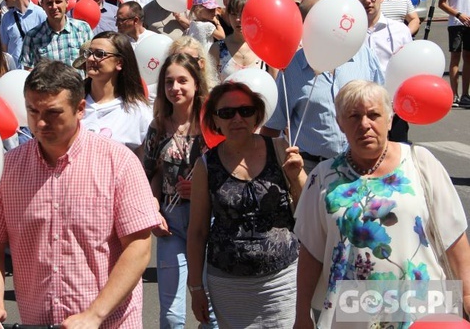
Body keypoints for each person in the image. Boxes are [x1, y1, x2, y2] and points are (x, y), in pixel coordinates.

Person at [0, 60, 160, 328]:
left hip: (111, 323)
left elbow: (139, 247)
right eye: (32, 111)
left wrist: (94, 315)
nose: (41, 122)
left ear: (80, 109)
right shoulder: (7, 169)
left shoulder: (118, 162)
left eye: (53, 112)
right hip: (38, 322)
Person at [294, 80, 470, 328]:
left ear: (389, 120)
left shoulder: (421, 163)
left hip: (422, 304)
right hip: (352, 308)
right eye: (353, 116)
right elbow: (311, 253)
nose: (364, 124)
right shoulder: (323, 177)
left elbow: (454, 239)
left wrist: (466, 295)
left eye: (373, 115)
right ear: (340, 123)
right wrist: (302, 315)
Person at [187, 81, 305, 328]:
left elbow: (307, 209)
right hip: (228, 283)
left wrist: (296, 177)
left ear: (257, 116)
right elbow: (197, 232)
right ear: (215, 120)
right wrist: (196, 286)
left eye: (246, 110)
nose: (237, 118)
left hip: (282, 279)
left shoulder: (281, 148)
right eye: (227, 113)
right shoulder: (205, 166)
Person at [261, 0, 384, 172]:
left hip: (363, 165)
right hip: (313, 168)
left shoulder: (363, 55)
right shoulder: (292, 68)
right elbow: (273, 126)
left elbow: (384, 109)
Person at [142, 53, 211, 328]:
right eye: (169, 82)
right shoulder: (157, 127)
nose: (175, 88)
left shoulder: (213, 125)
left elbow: (231, 173)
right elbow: (150, 173)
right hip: (171, 227)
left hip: (208, 224)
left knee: (210, 310)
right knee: (171, 314)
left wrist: (200, 190)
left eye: (183, 80)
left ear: (196, 83)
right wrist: (153, 208)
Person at [354, 0, 413, 142]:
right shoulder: (348, 33)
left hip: (394, 108)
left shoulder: (399, 31)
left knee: (397, 158)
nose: (367, 0)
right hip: (360, 109)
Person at [81, 31, 152, 155]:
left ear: (119, 63)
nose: (91, 59)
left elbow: (145, 162)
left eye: (99, 54)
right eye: (89, 53)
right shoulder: (72, 103)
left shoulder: (138, 112)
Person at [19, 0, 93, 69]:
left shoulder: (83, 29)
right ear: (42, 5)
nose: (54, 7)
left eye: (58, 2)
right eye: (49, 3)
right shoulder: (32, 37)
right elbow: (29, 71)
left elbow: (91, 63)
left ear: (67, 2)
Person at [209, 0, 274, 82]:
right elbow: (209, 86)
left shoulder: (265, 48)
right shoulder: (216, 49)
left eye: (242, 13)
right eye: (233, 14)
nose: (237, 19)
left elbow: (275, 84)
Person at [439, 0, 470, 108]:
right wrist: (458, 14)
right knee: (455, 58)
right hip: (456, 23)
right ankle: (454, 94)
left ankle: (465, 94)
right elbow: (442, 3)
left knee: (468, 58)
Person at [0, 0, 47, 67]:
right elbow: (4, 49)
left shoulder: (40, 14)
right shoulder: (6, 18)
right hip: (14, 74)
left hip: (35, 73)